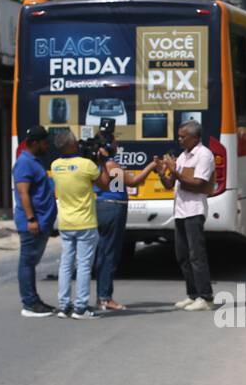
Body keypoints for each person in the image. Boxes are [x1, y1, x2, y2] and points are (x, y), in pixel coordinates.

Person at [48, 131, 112, 319]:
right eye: (75, 141)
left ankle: (64, 305)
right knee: (84, 265)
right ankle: (81, 307)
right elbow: (106, 186)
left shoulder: (55, 166)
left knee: (66, 264)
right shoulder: (87, 165)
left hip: (66, 222)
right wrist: (103, 163)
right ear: (70, 145)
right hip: (85, 222)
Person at [158, 120, 216, 311]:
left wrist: (175, 170)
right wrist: (162, 173)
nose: (179, 139)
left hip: (194, 210)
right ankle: (193, 294)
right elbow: (170, 184)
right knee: (182, 255)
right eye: (179, 136)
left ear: (195, 137)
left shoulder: (204, 155)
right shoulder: (183, 156)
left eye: (183, 136)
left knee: (196, 255)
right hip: (180, 211)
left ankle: (206, 297)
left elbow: (199, 183)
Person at [93, 145, 156, 311]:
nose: (117, 146)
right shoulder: (110, 165)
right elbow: (134, 181)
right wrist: (151, 166)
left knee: (104, 252)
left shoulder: (98, 163)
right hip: (113, 207)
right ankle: (105, 297)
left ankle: (102, 296)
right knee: (109, 253)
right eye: (114, 143)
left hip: (103, 206)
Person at [12, 126, 57, 317]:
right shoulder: (24, 163)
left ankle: (34, 301)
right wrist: (31, 219)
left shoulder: (34, 161)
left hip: (42, 221)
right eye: (44, 142)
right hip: (32, 222)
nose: (47, 145)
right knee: (27, 262)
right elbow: (23, 193)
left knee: (31, 262)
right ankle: (29, 304)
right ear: (34, 143)